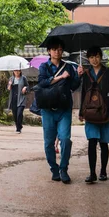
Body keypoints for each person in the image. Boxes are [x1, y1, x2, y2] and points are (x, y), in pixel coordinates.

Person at [36, 37, 80, 184]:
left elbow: (73, 86)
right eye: (54, 49)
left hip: (64, 108)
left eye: (60, 49)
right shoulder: (44, 67)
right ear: (49, 51)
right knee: (49, 142)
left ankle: (63, 169)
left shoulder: (68, 67)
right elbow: (42, 83)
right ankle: (54, 169)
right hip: (48, 109)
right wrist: (60, 77)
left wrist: (78, 76)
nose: (57, 52)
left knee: (65, 139)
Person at [77, 46, 109, 183]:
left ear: (101, 57)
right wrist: (81, 112)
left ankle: (103, 171)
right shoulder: (86, 74)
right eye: (91, 57)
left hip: (106, 110)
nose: (94, 60)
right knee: (91, 141)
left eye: (97, 56)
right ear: (88, 59)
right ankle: (92, 173)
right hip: (91, 112)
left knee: (103, 142)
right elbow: (84, 94)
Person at [7, 69, 28, 133]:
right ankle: (18, 126)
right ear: (13, 71)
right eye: (15, 71)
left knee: (19, 113)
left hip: (21, 97)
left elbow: (27, 86)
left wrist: (25, 88)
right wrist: (10, 84)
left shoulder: (23, 78)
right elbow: (8, 88)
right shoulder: (11, 78)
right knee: (15, 114)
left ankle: (19, 128)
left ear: (20, 71)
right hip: (13, 98)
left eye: (18, 71)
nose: (17, 72)